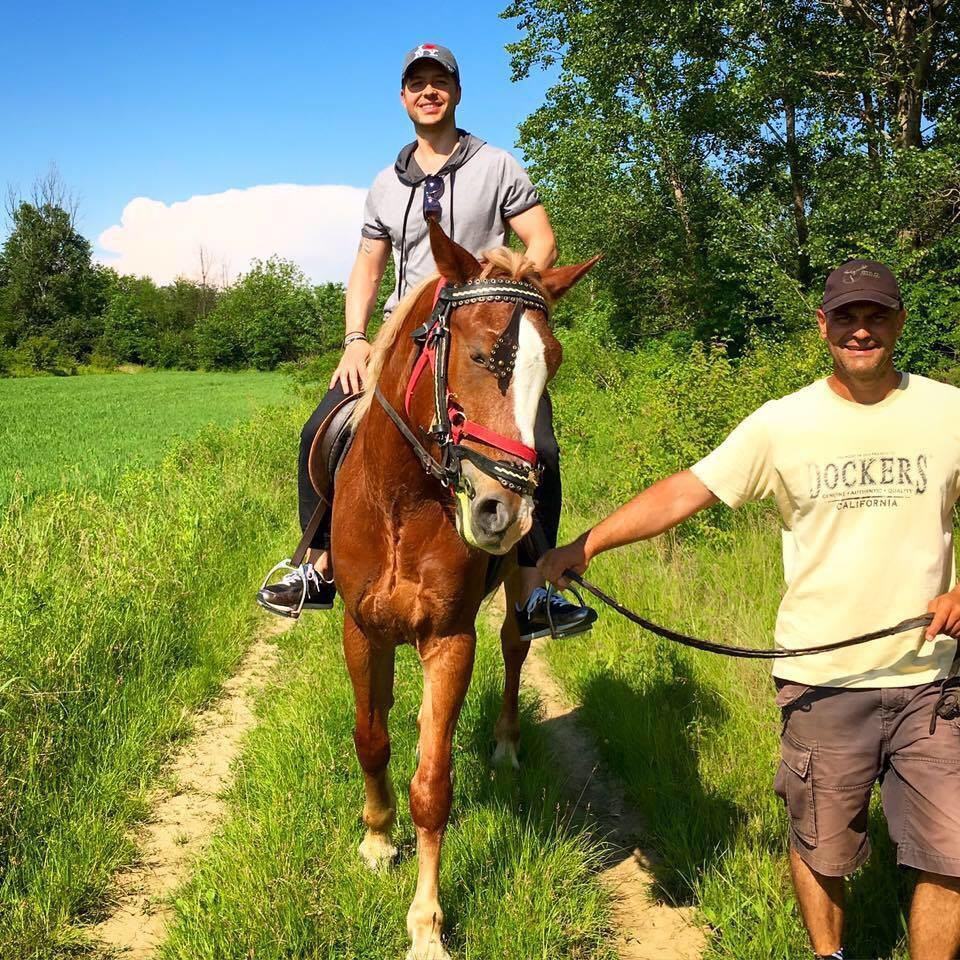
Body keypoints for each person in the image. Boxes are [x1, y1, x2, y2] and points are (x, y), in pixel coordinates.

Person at [538, 260, 960, 960]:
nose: (862, 330)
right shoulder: (782, 423)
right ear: (823, 325)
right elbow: (687, 491)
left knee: (949, 853)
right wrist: (586, 545)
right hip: (822, 679)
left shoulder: (948, 410)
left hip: (934, 682)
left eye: (877, 316)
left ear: (899, 323)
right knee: (823, 849)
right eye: (848, 317)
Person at [258, 42, 596, 640]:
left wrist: (508, 286)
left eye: (439, 81)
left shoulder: (497, 166)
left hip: (482, 333)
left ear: (457, 92)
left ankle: (534, 592)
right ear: (403, 98)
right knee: (323, 425)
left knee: (537, 446)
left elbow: (542, 242)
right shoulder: (385, 184)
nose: (428, 91)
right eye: (417, 83)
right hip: (406, 336)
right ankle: (318, 567)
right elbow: (367, 266)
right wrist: (355, 338)